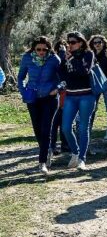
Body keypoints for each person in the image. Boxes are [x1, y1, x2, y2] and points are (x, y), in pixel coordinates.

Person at [18, 36, 61, 174]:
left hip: (49, 97)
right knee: (37, 128)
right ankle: (47, 150)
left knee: (46, 128)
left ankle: (42, 162)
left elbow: (63, 78)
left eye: (44, 49)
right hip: (32, 98)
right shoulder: (27, 58)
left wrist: (57, 89)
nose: (41, 52)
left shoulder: (54, 59)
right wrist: (23, 91)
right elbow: (21, 77)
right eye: (39, 49)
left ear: (48, 49)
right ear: (34, 48)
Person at [59, 32, 96, 171]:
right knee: (66, 128)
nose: (70, 45)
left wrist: (73, 58)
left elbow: (84, 71)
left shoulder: (88, 54)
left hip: (86, 95)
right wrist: (64, 61)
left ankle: (82, 159)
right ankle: (75, 152)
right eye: (68, 42)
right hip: (70, 95)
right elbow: (61, 72)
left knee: (83, 127)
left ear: (80, 42)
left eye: (73, 42)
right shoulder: (66, 55)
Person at [87, 35, 107, 140]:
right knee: (93, 108)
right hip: (94, 85)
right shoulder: (91, 55)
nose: (97, 44)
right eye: (95, 43)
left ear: (103, 43)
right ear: (92, 44)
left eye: (99, 42)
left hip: (106, 85)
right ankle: (88, 129)